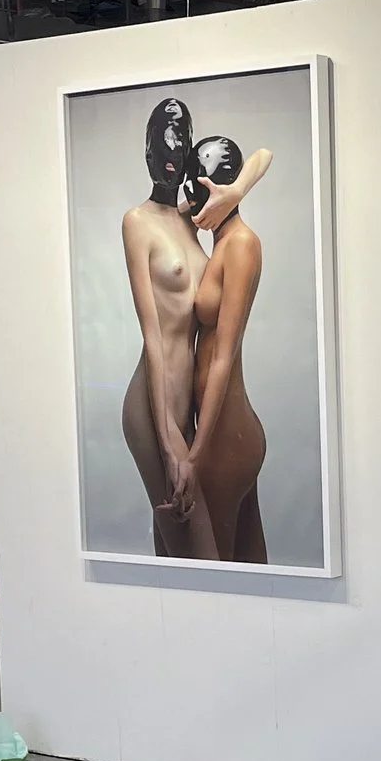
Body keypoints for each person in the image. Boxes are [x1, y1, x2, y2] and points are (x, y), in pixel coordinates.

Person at [122, 97, 213, 556]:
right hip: (152, 400)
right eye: (165, 135)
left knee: (179, 552)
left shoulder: (191, 221)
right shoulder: (137, 223)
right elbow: (153, 337)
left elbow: (260, 163)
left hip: (187, 403)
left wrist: (232, 192)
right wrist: (169, 442)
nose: (175, 146)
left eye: (184, 135)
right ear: (148, 151)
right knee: (195, 553)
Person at [182, 134, 273, 563]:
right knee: (247, 565)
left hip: (224, 434)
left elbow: (223, 356)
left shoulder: (240, 244)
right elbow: (261, 157)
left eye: (196, 186)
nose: (191, 195)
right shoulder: (220, 240)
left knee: (217, 573)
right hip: (223, 428)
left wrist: (195, 453)